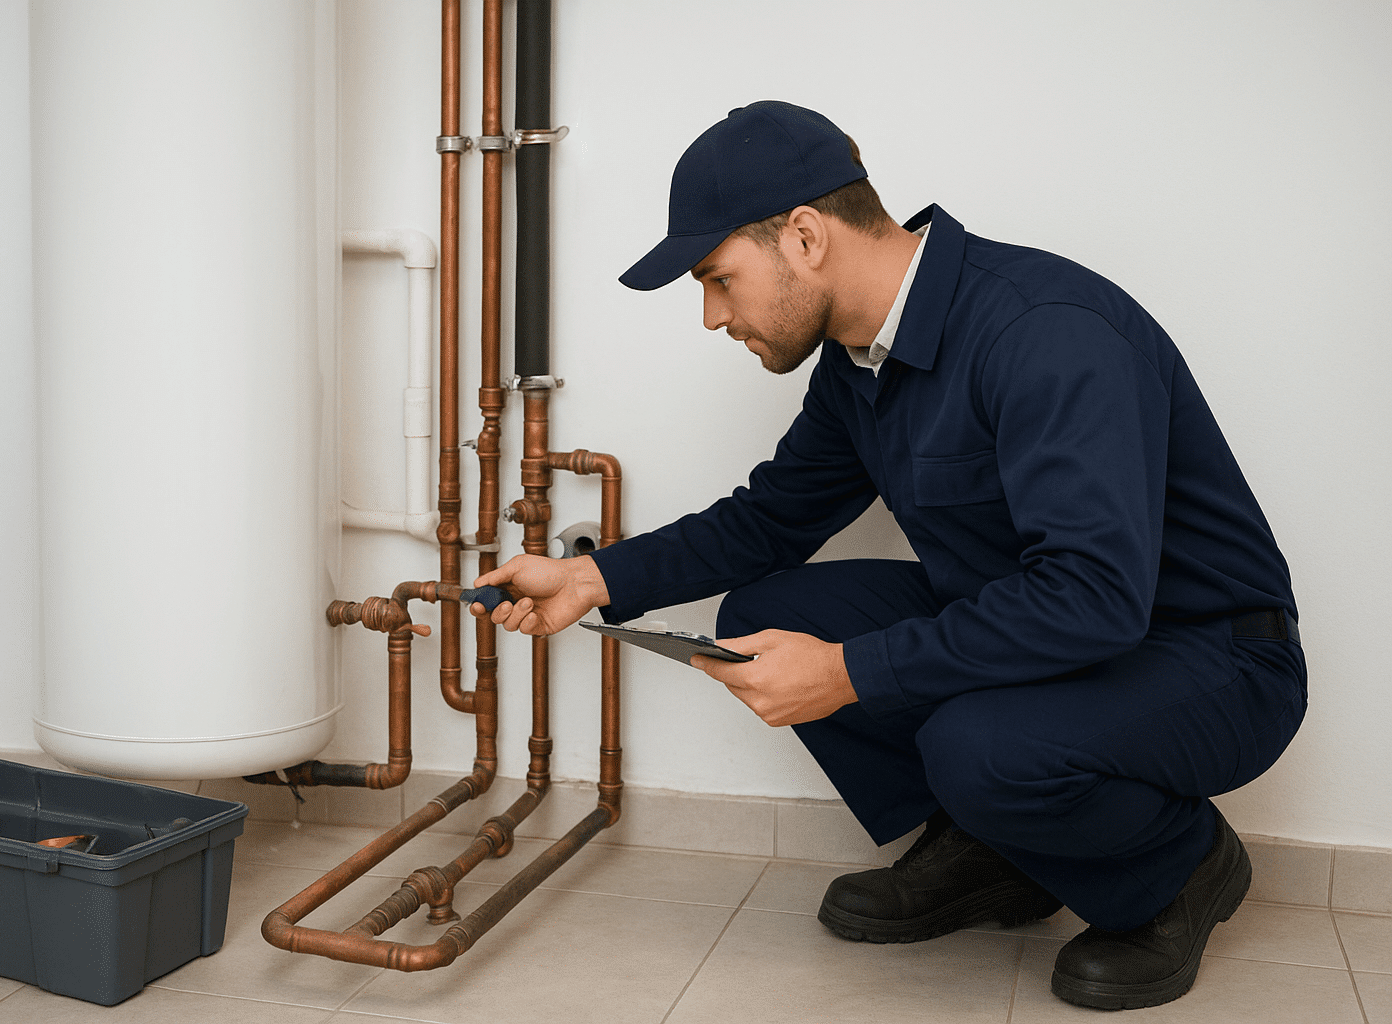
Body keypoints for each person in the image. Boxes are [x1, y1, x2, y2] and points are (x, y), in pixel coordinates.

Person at [471, 100, 1306, 1010]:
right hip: (1053, 633)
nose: (712, 316)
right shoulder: (859, 362)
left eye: (718, 279)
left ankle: (1181, 868)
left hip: (1206, 655)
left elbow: (1093, 598)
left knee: (972, 746)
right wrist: (590, 577)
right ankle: (999, 853)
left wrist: (846, 672)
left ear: (804, 237)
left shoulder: (1044, 331)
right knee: (766, 616)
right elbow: (771, 519)